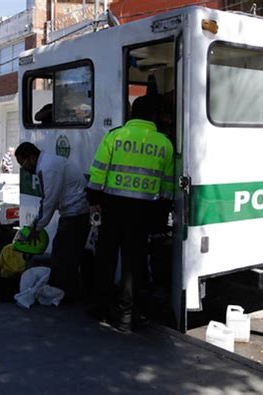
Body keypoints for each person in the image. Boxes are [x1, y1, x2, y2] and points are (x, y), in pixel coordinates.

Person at [86, 95, 174, 332]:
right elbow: (167, 187)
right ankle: (126, 317)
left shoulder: (115, 136)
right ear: (154, 116)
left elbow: (98, 173)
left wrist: (94, 201)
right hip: (143, 213)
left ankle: (100, 308)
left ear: (132, 114)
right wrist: (161, 216)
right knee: (133, 266)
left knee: (105, 260)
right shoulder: (164, 144)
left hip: (112, 208)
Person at [15, 142, 90, 301]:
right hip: (75, 212)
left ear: (32, 157)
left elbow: (48, 201)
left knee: (63, 254)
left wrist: (36, 227)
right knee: (68, 252)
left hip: (75, 213)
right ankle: (68, 291)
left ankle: (62, 293)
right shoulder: (48, 163)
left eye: (23, 163)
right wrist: (37, 224)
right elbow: (50, 202)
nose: (24, 167)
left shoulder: (48, 168)